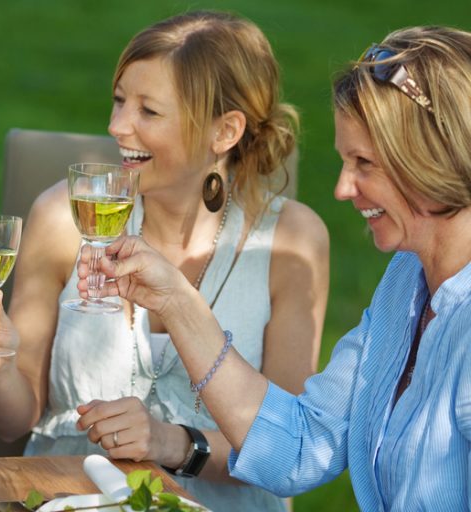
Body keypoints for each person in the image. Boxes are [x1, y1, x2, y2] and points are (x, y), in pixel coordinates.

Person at [78, 25, 471, 510]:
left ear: (434, 161)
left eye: (364, 163)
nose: (343, 189)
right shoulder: (406, 283)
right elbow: (302, 446)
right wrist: (174, 300)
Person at [0, 10, 328, 510]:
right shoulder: (64, 217)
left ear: (225, 132)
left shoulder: (292, 242)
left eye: (149, 111)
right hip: (67, 497)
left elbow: (288, 443)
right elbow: (12, 420)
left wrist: (170, 440)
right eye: (119, 100)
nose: (117, 126)